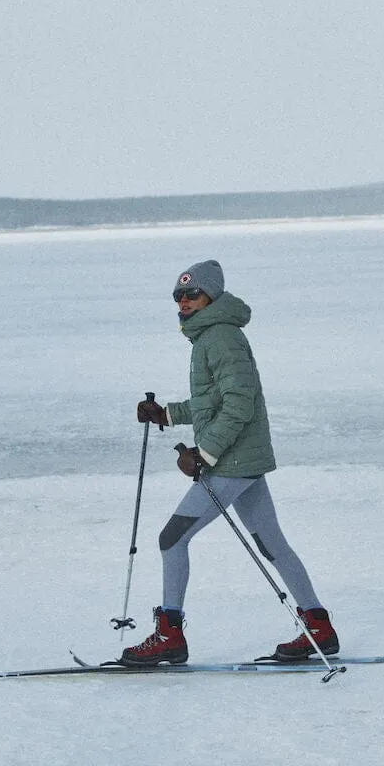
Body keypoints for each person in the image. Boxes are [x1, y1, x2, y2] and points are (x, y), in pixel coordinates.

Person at [124, 260, 338, 664]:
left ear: (212, 297)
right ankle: (319, 627)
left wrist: (204, 455)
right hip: (243, 460)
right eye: (179, 296)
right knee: (273, 545)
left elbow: (240, 404)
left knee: (172, 539)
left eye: (193, 294)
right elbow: (214, 403)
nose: (184, 302)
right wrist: (167, 414)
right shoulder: (211, 337)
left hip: (232, 462)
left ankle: (170, 634)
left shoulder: (219, 338)